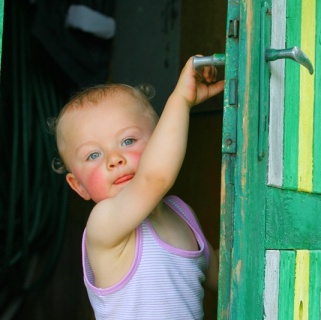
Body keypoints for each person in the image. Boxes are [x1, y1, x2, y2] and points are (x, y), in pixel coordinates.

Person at [50, 56, 224, 319]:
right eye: (93, 155)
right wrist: (181, 100)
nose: (114, 159)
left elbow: (222, 276)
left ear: (160, 142)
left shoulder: (182, 214)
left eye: (128, 140)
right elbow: (154, 179)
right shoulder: (103, 223)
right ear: (79, 186)